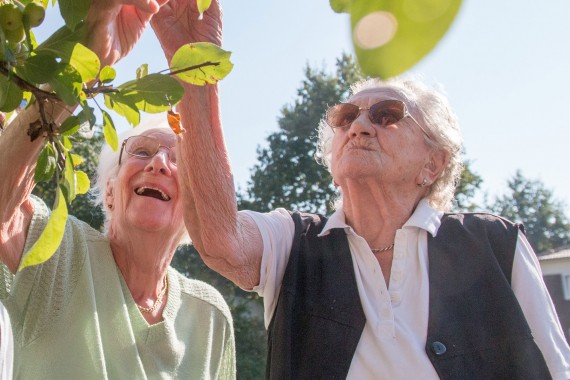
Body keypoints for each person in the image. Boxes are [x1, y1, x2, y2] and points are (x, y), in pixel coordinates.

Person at [172, 3, 570, 378]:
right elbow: (218, 238)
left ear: (433, 164)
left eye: (387, 116)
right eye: (346, 117)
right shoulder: (293, 243)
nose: (359, 126)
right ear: (332, 162)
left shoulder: (496, 245)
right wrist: (193, 63)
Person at [0, 0, 235, 378]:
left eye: (177, 159)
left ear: (195, 204)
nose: (159, 163)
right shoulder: (60, 254)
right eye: (140, 152)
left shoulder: (210, 317)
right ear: (109, 190)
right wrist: (84, 68)